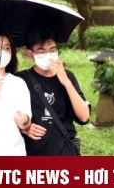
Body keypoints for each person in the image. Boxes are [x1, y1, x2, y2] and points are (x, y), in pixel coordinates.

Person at [15, 28, 90, 156]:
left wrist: (67, 83)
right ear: (30, 54)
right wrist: (25, 129)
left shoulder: (68, 77)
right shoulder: (21, 79)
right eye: (41, 51)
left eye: (52, 50)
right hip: (33, 151)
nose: (48, 55)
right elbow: (8, 115)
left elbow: (84, 117)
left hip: (64, 151)